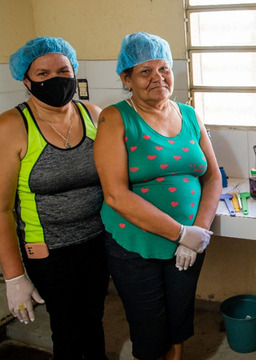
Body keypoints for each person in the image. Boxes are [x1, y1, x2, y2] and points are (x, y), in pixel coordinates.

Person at [94, 32, 222, 360]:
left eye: (164, 68)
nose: (158, 78)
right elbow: (115, 195)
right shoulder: (115, 117)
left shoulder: (190, 115)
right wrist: (182, 233)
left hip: (190, 243)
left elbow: (212, 176)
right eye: (145, 71)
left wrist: (198, 233)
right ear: (127, 78)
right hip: (137, 245)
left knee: (178, 322)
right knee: (150, 330)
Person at [0, 37, 109, 359]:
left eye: (63, 70)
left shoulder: (92, 114)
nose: (56, 80)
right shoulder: (12, 126)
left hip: (97, 241)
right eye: (43, 74)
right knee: (68, 328)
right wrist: (14, 276)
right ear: (26, 80)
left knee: (94, 319)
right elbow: (2, 208)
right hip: (48, 249)